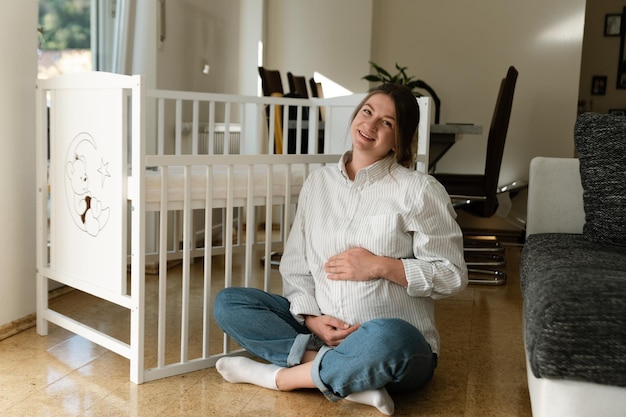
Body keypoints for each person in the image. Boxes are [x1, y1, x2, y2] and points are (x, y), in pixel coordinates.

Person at [213, 83, 468, 415]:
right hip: (321, 335)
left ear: (400, 139)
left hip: (393, 344)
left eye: (387, 123)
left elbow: (453, 275)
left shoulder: (419, 190)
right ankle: (347, 375)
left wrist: (380, 266)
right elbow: (295, 264)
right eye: (367, 112)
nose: (371, 125)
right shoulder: (317, 183)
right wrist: (312, 318)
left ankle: (282, 377)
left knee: (392, 338)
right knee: (230, 303)